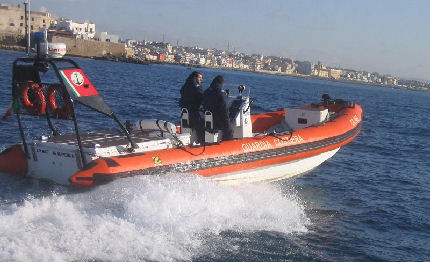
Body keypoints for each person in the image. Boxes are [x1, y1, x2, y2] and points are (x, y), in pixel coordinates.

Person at [203, 75, 233, 141]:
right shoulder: (221, 94)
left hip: (207, 119)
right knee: (229, 129)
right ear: (222, 83)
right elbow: (224, 111)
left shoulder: (206, 92)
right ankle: (229, 142)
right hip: (217, 120)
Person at [179, 71, 204, 142]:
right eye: (200, 78)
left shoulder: (185, 85)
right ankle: (202, 143)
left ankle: (188, 142)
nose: (201, 80)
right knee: (200, 128)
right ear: (195, 77)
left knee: (186, 127)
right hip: (193, 111)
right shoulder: (197, 87)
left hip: (184, 111)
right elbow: (202, 97)